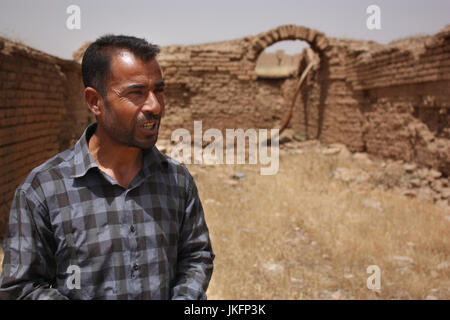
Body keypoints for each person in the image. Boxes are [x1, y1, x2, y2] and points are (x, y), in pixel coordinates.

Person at [0, 35, 214, 300]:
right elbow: (21, 287)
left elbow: (196, 256)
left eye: (158, 90)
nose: (155, 106)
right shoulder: (43, 190)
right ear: (94, 102)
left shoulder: (176, 180)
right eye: (136, 93)